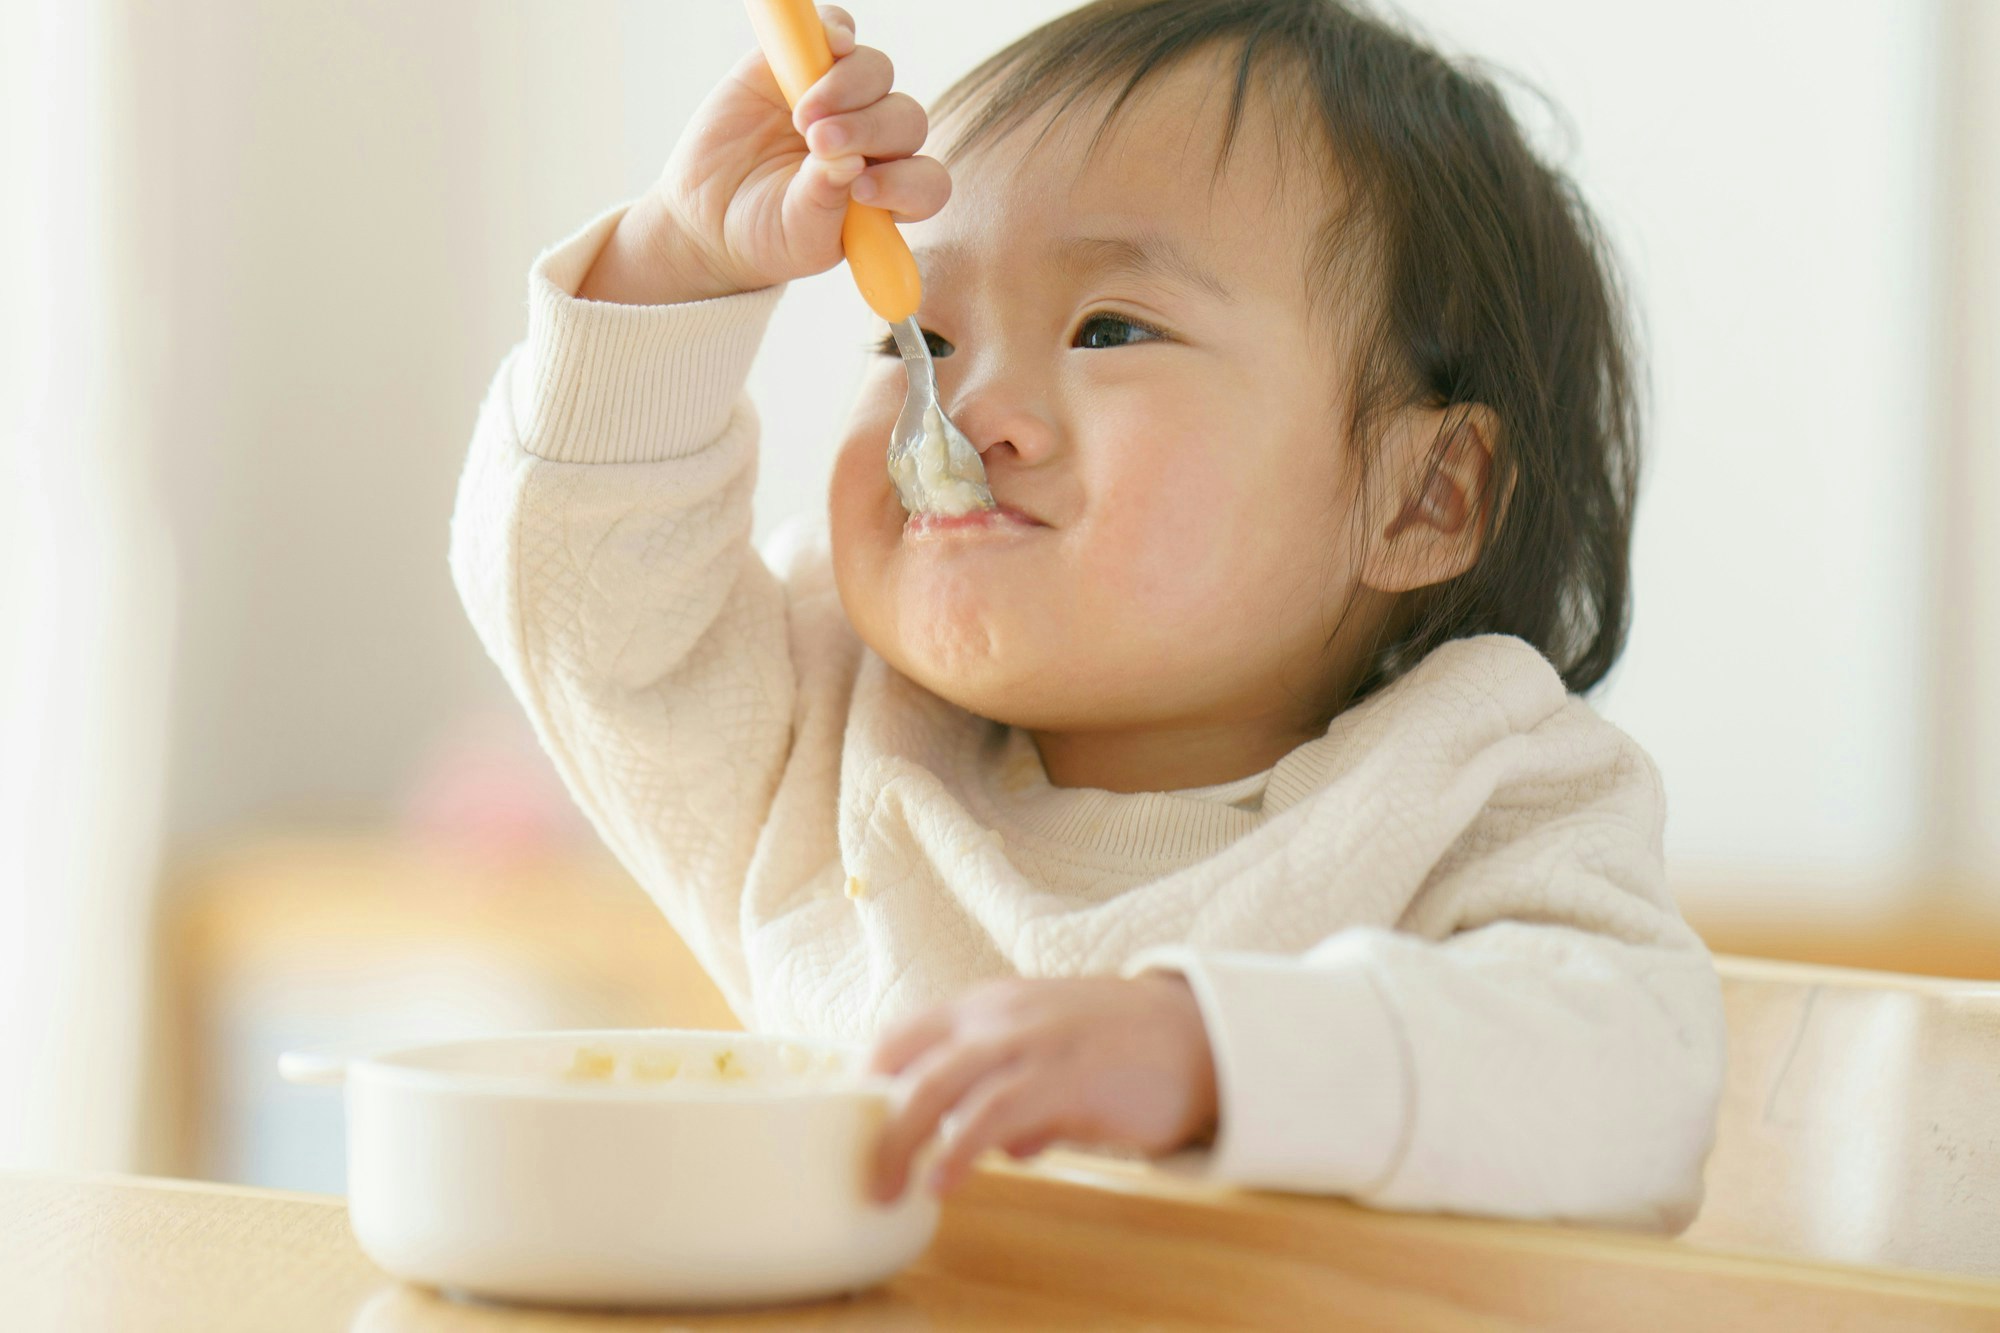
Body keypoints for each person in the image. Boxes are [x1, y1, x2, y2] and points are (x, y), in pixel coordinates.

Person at [450, 0, 1725, 1231]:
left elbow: (1633, 1083)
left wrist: (1211, 1054)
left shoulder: (1471, 784)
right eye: (920, 340)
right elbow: (582, 608)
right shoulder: (827, 738)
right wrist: (677, 264)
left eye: (1108, 328)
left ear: (1420, 495)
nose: (964, 409)